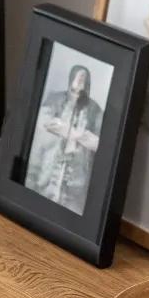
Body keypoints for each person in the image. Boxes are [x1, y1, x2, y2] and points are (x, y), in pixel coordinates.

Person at [24, 62, 103, 216]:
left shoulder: (95, 109)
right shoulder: (54, 98)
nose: (80, 80)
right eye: (78, 76)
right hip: (48, 171)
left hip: (75, 180)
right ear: (71, 78)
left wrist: (68, 131)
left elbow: (99, 143)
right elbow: (44, 122)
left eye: (84, 78)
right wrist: (76, 134)